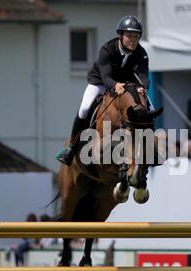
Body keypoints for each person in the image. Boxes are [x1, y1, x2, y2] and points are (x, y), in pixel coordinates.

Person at [55, 16, 154, 166]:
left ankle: (151, 147)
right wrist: (115, 85)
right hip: (100, 82)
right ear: (120, 35)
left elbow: (143, 75)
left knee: (150, 109)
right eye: (129, 36)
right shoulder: (107, 49)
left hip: (128, 84)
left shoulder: (141, 52)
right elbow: (106, 76)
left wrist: (143, 87)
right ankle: (72, 147)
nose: (133, 40)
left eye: (136, 36)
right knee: (85, 108)